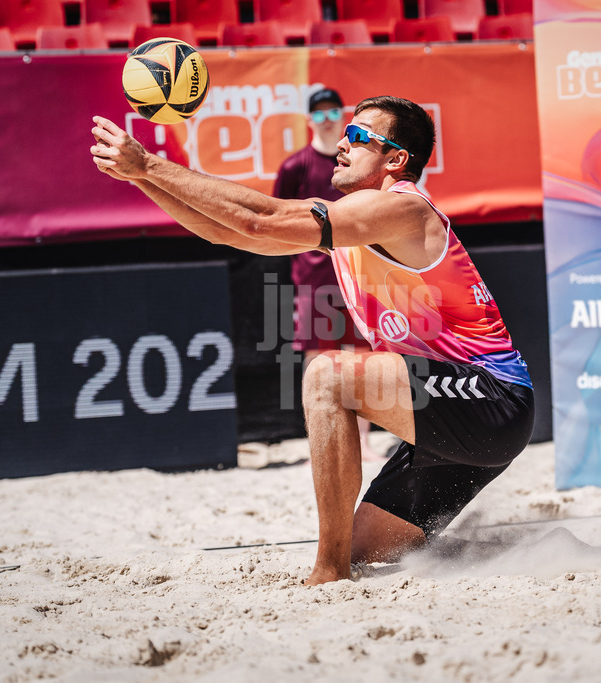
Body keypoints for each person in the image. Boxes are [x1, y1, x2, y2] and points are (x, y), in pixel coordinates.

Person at [90, 95, 535, 586]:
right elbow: (234, 235)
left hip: (493, 400)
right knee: (369, 547)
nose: (343, 142)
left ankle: (327, 573)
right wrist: (142, 177)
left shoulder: (402, 209)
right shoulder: (353, 219)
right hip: (453, 418)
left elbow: (260, 219)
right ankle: (518, 551)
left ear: (396, 159)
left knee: (326, 377)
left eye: (360, 136)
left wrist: (152, 162)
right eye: (346, 132)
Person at [273, 87, 380, 461]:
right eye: (318, 113)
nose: (326, 118)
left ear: (343, 115)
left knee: (364, 357)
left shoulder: (358, 165)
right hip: (315, 281)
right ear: (308, 120)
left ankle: (364, 443)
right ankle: (323, 442)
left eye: (332, 111)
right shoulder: (294, 167)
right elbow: (278, 221)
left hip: (359, 273)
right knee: (320, 362)